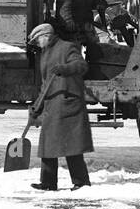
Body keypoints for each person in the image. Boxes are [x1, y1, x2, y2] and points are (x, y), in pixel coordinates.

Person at [26, 23, 92, 192]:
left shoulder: (67, 47)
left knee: (72, 145)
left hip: (68, 102)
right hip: (53, 104)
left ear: (46, 36)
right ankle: (48, 183)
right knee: (48, 144)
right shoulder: (45, 54)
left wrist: (65, 68)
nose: (37, 44)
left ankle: (81, 182)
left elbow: (81, 65)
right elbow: (45, 84)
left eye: (37, 40)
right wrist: (37, 107)